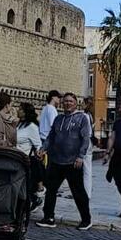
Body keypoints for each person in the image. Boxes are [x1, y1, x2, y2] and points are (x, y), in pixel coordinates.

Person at [36, 92, 93, 230]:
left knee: (78, 192)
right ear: (62, 103)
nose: (68, 103)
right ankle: (49, 217)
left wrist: (80, 156)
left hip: (73, 162)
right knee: (51, 190)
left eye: (71, 101)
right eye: (65, 101)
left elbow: (85, 139)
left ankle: (86, 219)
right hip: (56, 161)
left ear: (75, 103)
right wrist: (43, 148)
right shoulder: (58, 119)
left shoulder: (82, 119)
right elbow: (51, 137)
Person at [16, 102, 44, 202]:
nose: (17, 110)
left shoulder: (32, 127)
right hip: (16, 159)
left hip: (26, 160)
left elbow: (38, 145)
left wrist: (38, 155)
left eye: (20, 109)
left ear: (26, 112)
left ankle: (33, 200)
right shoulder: (19, 125)